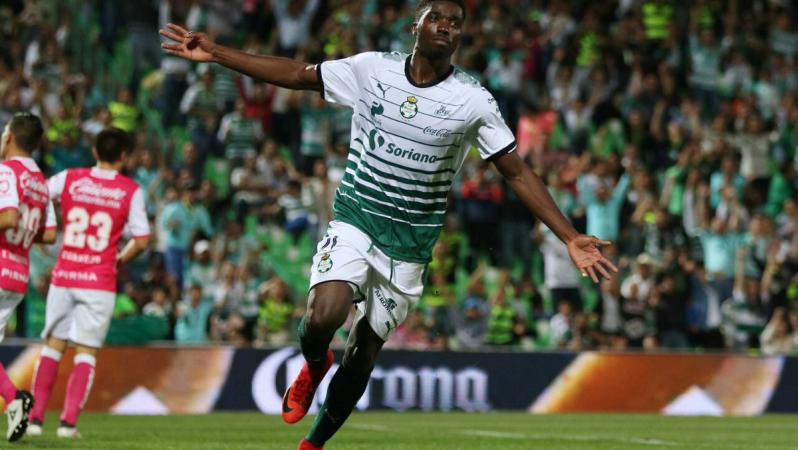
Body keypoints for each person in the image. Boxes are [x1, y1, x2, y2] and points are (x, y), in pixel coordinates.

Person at [160, 2, 617, 448]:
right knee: (325, 315)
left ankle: (313, 444)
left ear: (461, 36)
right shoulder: (371, 70)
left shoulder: (473, 100)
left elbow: (515, 170)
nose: (445, 26)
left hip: (411, 247)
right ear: (415, 25)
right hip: (357, 218)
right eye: (435, 17)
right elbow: (298, 75)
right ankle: (315, 363)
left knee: (361, 354)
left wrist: (570, 235)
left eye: (455, 23)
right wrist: (217, 53)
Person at [27, 128, 150, 438]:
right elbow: (143, 239)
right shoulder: (129, 190)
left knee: (53, 347)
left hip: (66, 274)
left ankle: (35, 421)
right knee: (86, 351)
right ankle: (68, 425)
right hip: (99, 280)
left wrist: (46, 228)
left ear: (95, 151)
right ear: (124, 156)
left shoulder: (70, 178)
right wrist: (120, 259)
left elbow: (38, 192)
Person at [0, 113, 55, 442]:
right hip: (17, 273)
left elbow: (8, 217)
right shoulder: (41, 182)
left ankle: (15, 399)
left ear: (9, 138)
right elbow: (49, 236)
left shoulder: (6, 171)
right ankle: (14, 399)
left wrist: (13, 226)